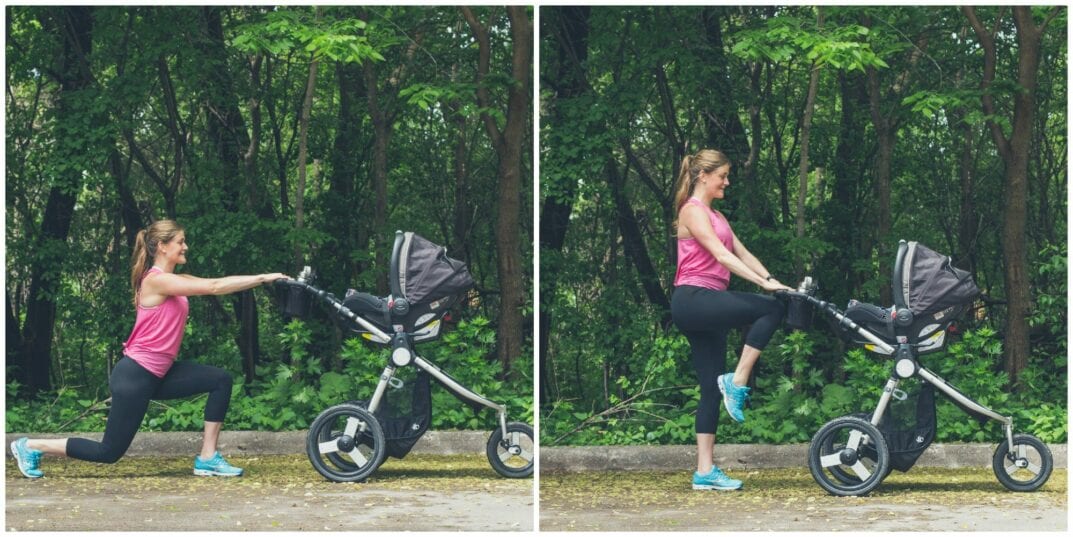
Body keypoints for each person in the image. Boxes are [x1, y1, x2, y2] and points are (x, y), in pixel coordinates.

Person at [11, 220, 289, 478]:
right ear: (162, 247)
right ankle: (32, 445)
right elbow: (214, 286)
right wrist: (264, 278)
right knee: (108, 452)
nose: (185, 246)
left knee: (220, 380)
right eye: (180, 241)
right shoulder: (155, 280)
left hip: (159, 372)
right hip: (136, 375)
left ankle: (207, 457)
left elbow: (215, 281)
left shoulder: (174, 279)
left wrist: (260, 279)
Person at [669, 149, 792, 491]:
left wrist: (772, 280)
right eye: (722, 175)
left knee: (709, 389)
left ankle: (704, 472)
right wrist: (765, 288)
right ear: (703, 176)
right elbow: (720, 255)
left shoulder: (716, 215)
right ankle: (737, 381)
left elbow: (740, 252)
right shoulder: (691, 211)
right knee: (770, 309)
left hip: (705, 306)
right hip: (694, 299)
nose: (727, 181)